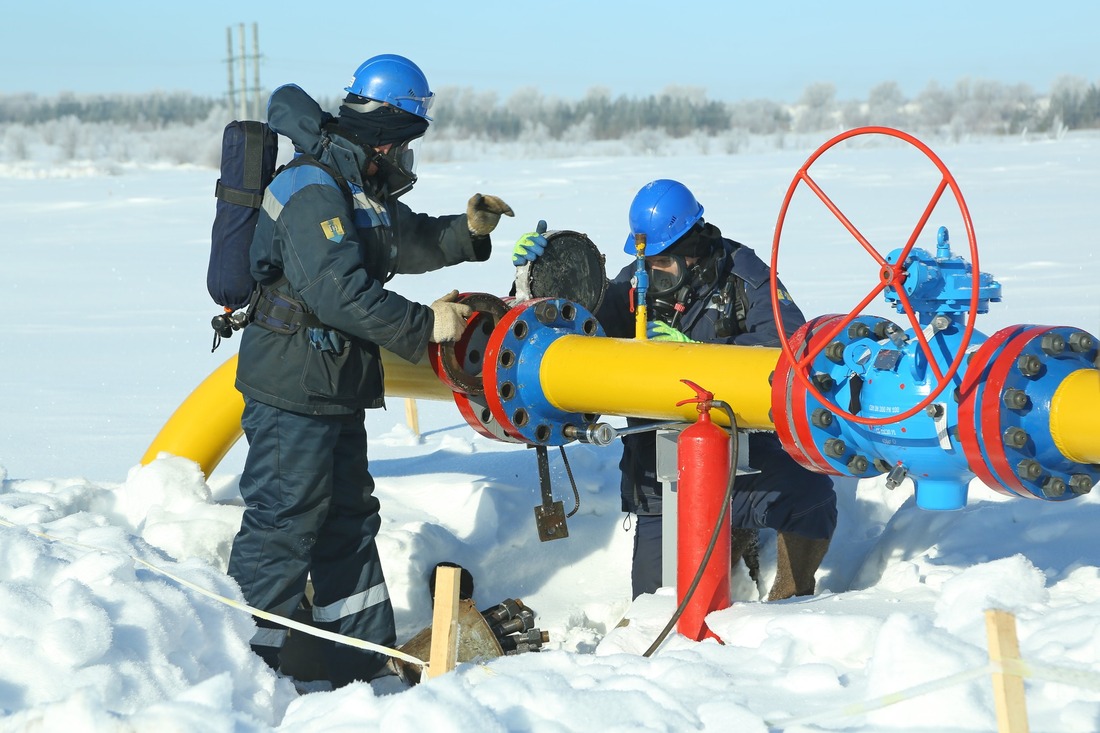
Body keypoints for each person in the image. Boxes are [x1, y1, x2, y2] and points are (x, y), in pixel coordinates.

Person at [227, 54, 514, 686]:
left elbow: (400, 239)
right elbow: (338, 293)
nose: (408, 157)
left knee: (349, 520)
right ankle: (246, 674)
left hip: (335, 386)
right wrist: (422, 327)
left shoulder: (356, 187)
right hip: (292, 386)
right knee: (285, 521)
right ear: (385, 134)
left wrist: (467, 233)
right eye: (406, 141)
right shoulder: (310, 189)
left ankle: (360, 670)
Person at [513, 179, 836, 602]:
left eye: (662, 260)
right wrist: (534, 282)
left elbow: (788, 348)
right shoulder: (634, 283)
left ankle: (784, 603)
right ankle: (724, 551)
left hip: (741, 464)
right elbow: (572, 334)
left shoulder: (745, 277)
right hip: (660, 479)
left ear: (693, 247)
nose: (649, 271)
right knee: (656, 610)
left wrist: (701, 354)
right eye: (645, 260)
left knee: (810, 497)